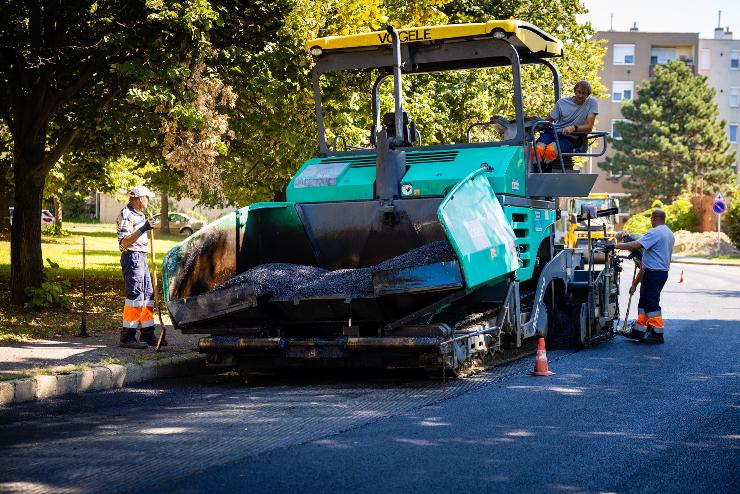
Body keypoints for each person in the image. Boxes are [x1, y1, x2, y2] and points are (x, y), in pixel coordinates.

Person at [605, 209, 675, 344]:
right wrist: (635, 284)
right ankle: (639, 330)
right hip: (660, 272)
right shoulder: (669, 233)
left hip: (653, 273)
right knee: (644, 302)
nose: (650, 220)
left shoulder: (656, 232)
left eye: (651, 218)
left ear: (654, 218)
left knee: (651, 302)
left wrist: (614, 246)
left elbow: (636, 244)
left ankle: (657, 333)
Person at [116, 185, 165, 348]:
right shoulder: (126, 214)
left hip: (141, 257)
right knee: (135, 296)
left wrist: (145, 225)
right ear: (139, 198)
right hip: (132, 257)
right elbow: (124, 243)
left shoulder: (140, 214)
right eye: (147, 197)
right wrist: (144, 228)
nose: (149, 200)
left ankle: (147, 333)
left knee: (147, 294)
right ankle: (128, 336)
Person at [535, 80, 598, 164]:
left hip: (570, 137)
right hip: (553, 132)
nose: (580, 95)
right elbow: (548, 121)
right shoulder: (562, 102)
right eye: (578, 92)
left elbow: (589, 127)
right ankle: (534, 168)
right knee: (538, 148)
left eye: (584, 93)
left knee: (551, 149)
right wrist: (536, 126)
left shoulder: (591, 103)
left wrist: (574, 128)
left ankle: (544, 169)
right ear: (574, 90)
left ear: (588, 95)